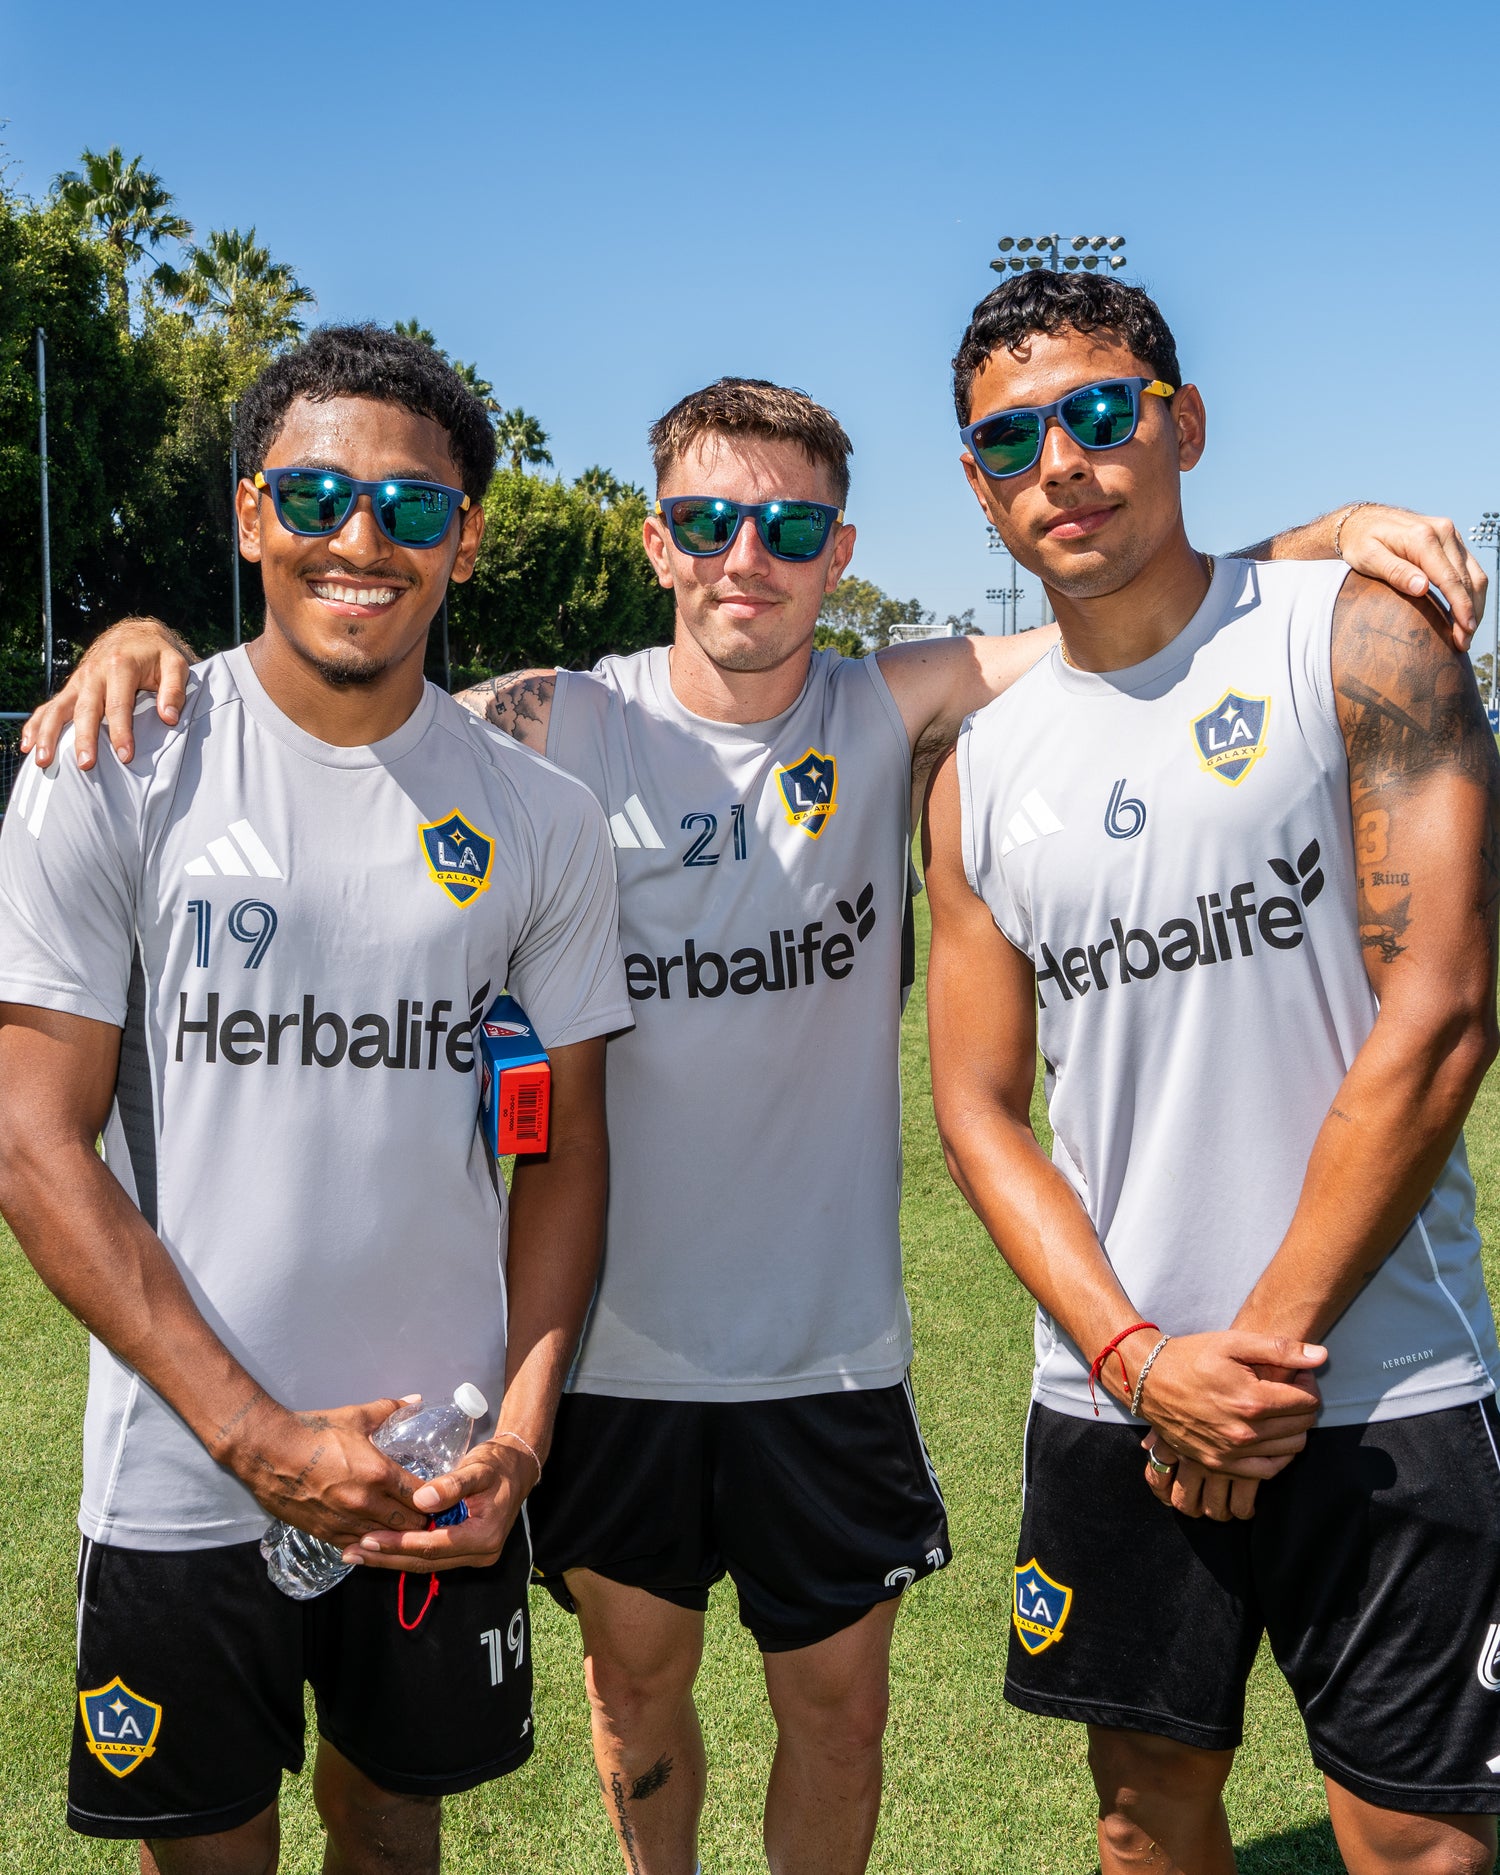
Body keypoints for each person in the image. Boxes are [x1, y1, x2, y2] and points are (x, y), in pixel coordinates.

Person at [25, 368, 1487, 1875]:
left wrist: (1314, 540)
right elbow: (328, 686)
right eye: (706, 523)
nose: (746, 559)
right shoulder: (553, 726)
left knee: (840, 1720)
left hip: (830, 1353)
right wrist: (152, 652)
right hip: (617, 1360)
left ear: (839, 554)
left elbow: (1113, 593)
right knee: (637, 1707)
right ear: (655, 543)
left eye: (790, 527)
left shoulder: (893, 703)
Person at [0, 326, 631, 1875]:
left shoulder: (541, 819)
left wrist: (527, 1439)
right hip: (181, 1471)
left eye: (413, 510)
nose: (363, 540)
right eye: (317, 496)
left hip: (441, 1466)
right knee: (207, 1853)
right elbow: (32, 1141)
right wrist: (256, 1437)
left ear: (465, 539)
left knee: (393, 1830)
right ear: (248, 515)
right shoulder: (115, 765)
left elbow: (563, 1153)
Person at [924, 268, 1500, 1875]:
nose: (1064, 460)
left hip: (1376, 1379)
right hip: (1120, 1399)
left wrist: (1246, 1362)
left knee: (1420, 1841)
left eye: (1102, 415)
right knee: (1142, 1816)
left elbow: (1445, 1012)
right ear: (978, 488)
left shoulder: (1361, 638)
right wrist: (1135, 1363)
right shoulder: (975, 774)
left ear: (1179, 424)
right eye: (1014, 439)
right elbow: (974, 1105)